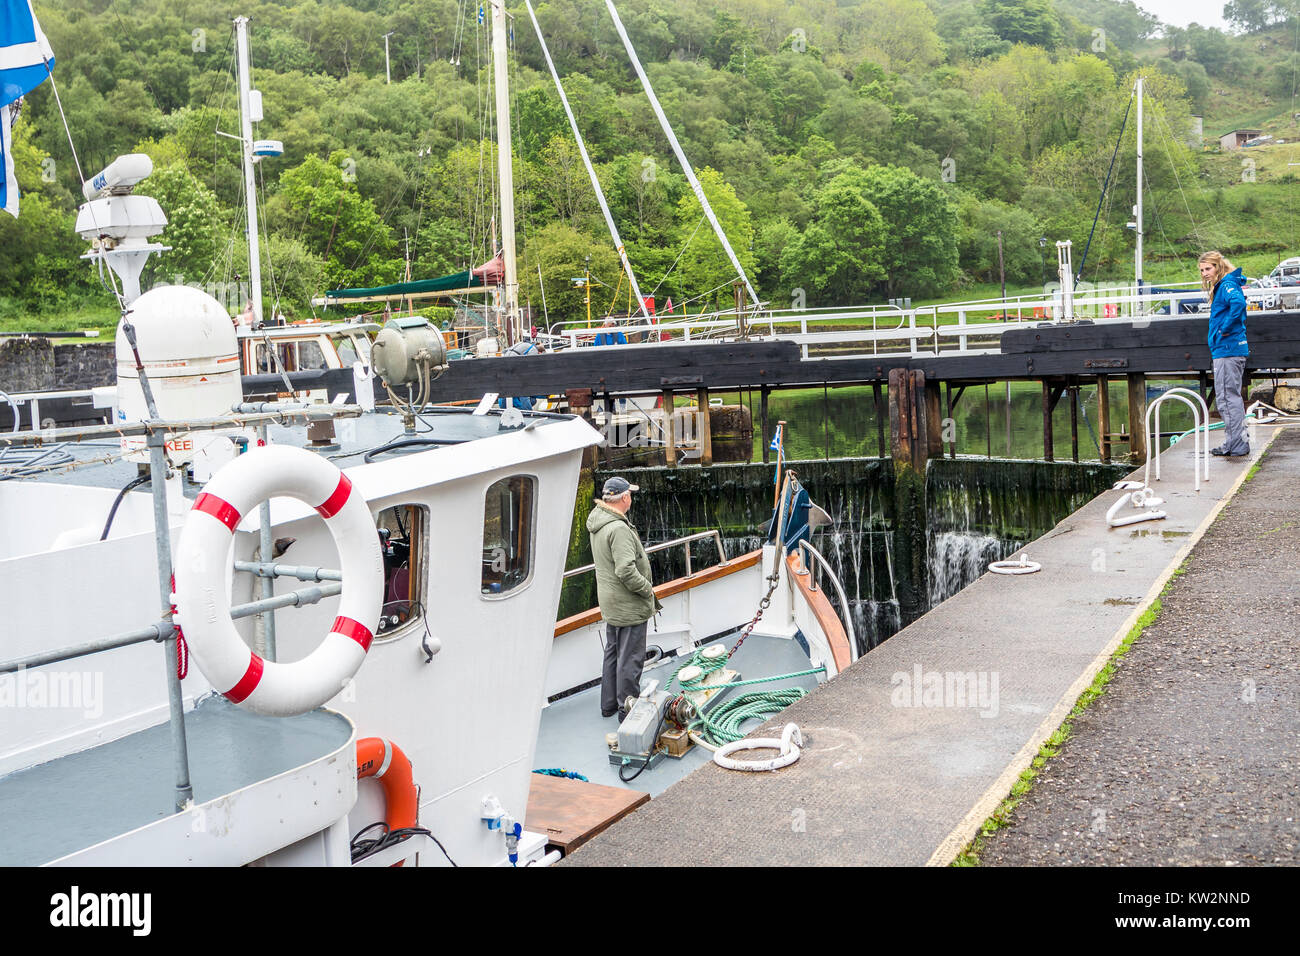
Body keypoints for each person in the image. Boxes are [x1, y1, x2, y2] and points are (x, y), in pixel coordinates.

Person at [586, 476, 660, 720]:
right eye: (630, 494)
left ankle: (608, 704)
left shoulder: (599, 521)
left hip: (611, 602)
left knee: (613, 653)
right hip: (628, 604)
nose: (631, 498)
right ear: (625, 497)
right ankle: (626, 711)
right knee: (631, 658)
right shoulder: (618, 528)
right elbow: (625, 570)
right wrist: (646, 588)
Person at [1199, 251, 1250, 456]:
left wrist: (1224, 330)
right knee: (1228, 397)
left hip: (1228, 349)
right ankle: (1234, 442)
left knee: (1227, 398)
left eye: (1208, 268)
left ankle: (1237, 444)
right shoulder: (1225, 285)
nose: (1204, 273)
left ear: (1218, 267)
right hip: (1227, 349)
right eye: (1202, 270)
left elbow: (1238, 304)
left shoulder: (1227, 285)